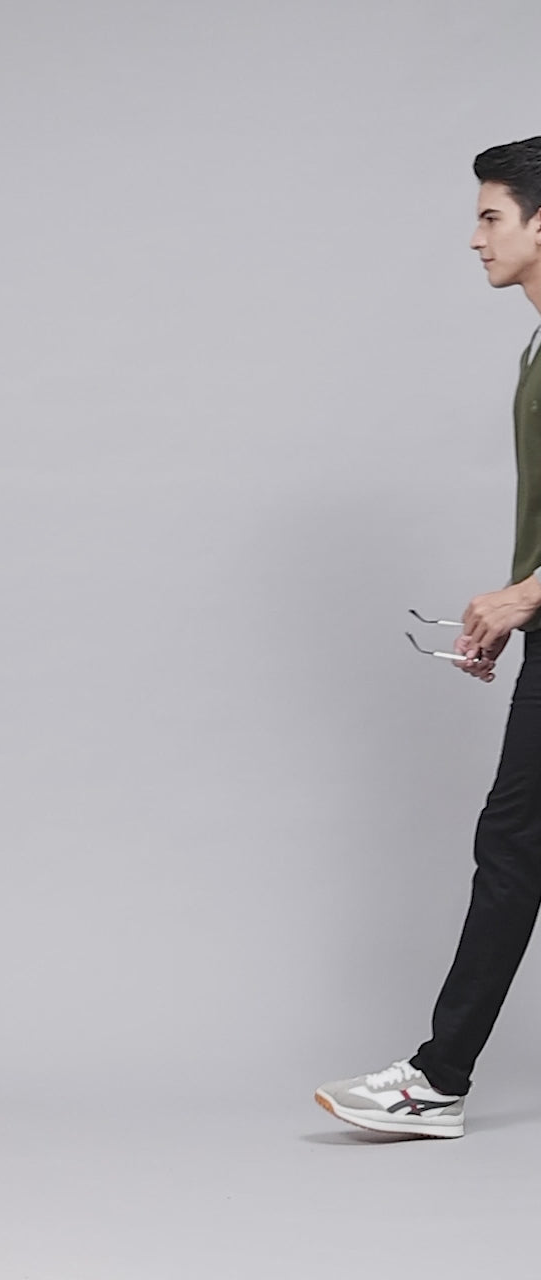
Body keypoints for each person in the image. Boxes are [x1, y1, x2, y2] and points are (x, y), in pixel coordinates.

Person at [315, 136, 541, 1139]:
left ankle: (438, 1079)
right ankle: (438, 1077)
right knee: (516, 844)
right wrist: (516, 604)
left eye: (492, 216)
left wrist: (530, 593)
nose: (475, 237)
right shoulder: (536, 345)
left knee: (514, 845)